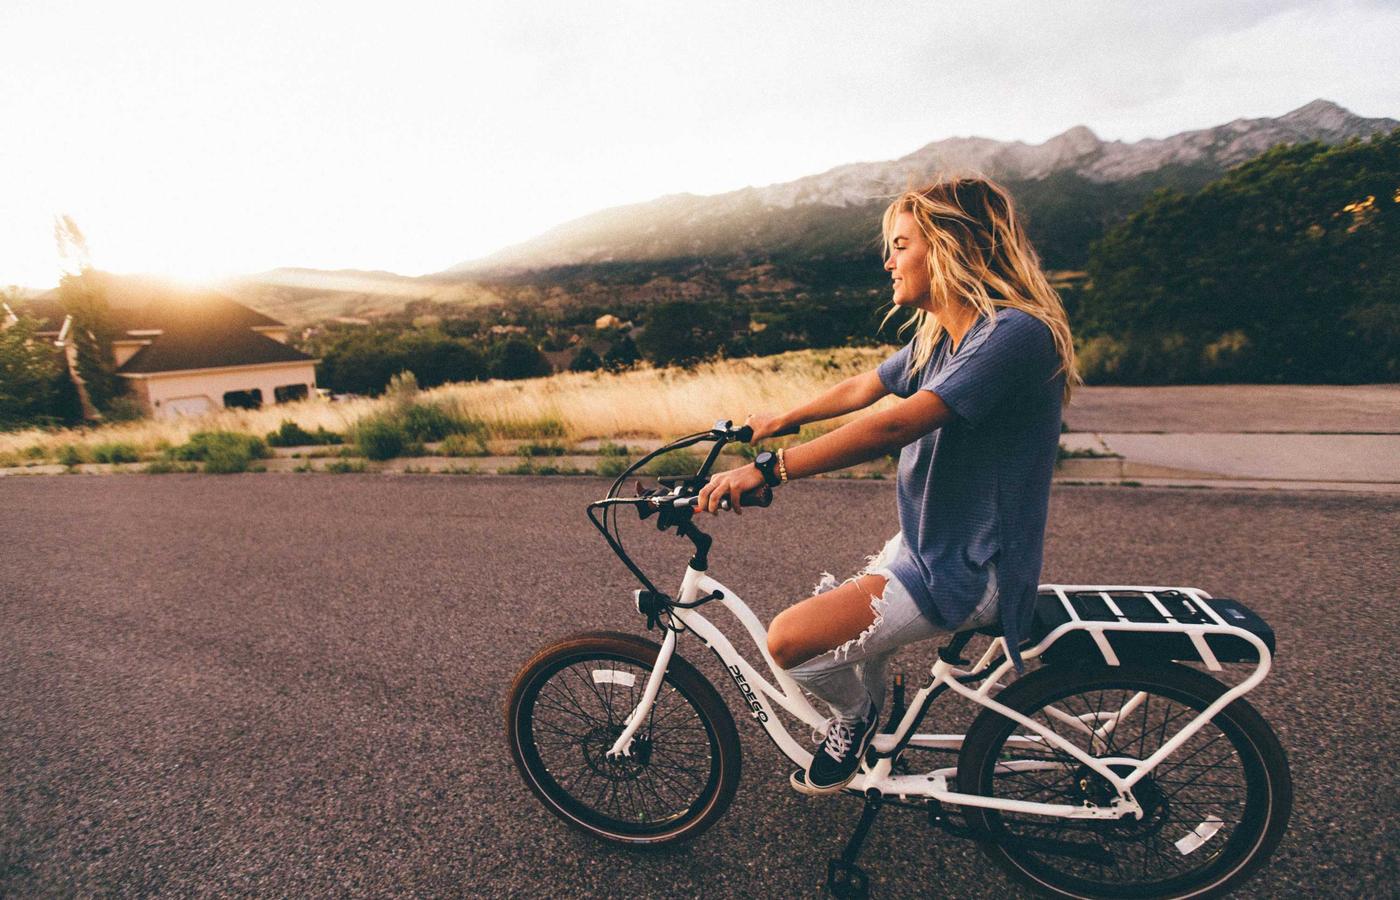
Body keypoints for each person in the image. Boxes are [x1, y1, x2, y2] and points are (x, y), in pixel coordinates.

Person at [695, 176, 1079, 795]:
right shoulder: (943, 339)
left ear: (952, 247)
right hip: (927, 546)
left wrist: (772, 468)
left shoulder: (1012, 335)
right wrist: (782, 419)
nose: (888, 260)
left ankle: (854, 718)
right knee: (851, 632)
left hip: (971, 568)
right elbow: (867, 387)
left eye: (901, 244)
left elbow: (895, 422)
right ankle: (871, 719)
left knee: (790, 641)